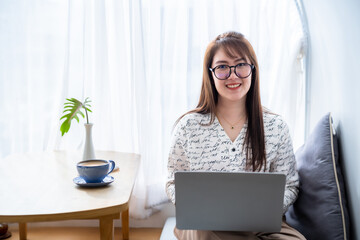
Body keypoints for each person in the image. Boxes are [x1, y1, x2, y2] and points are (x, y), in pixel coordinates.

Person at [166, 31, 306, 240]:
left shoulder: (276, 126)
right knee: (205, 233)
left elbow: (290, 185)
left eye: (240, 65)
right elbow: (172, 182)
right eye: (222, 67)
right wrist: (199, 208)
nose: (233, 75)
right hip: (204, 223)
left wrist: (260, 212)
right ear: (211, 74)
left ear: (253, 70)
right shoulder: (188, 126)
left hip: (260, 225)